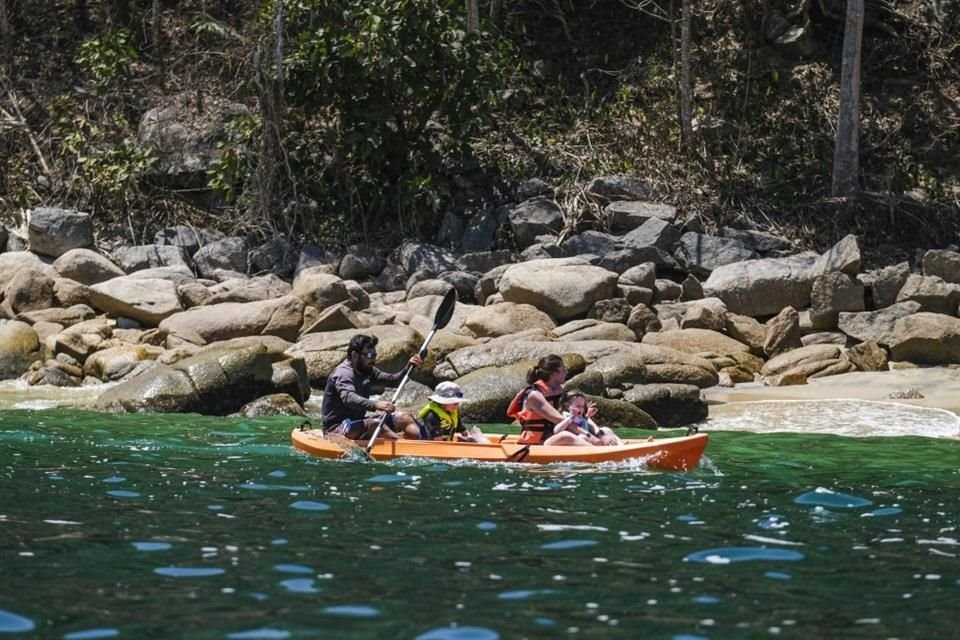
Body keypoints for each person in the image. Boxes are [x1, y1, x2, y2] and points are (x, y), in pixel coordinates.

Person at [321, 334, 423, 440]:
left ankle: (427, 444)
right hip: (336, 429)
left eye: (374, 355)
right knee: (375, 424)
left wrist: (409, 367)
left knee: (404, 417)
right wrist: (375, 404)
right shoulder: (343, 373)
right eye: (369, 355)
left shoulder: (368, 371)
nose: (373, 360)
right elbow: (348, 398)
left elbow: (394, 381)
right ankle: (407, 449)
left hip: (359, 422)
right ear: (355, 355)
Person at [505, 354, 595, 446]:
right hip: (539, 443)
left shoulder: (561, 392)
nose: (566, 372)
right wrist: (591, 437)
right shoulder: (534, 395)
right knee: (566, 436)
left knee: (605, 431)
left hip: (556, 437)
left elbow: (582, 417)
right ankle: (597, 451)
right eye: (563, 369)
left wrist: (599, 433)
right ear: (554, 374)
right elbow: (559, 420)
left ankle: (605, 450)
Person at [417, 381, 490, 443]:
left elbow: (464, 432)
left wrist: (471, 438)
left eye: (458, 403)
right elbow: (438, 442)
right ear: (443, 402)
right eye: (454, 403)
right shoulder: (431, 416)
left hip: (446, 443)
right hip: (433, 445)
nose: (457, 406)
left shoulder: (452, 413)